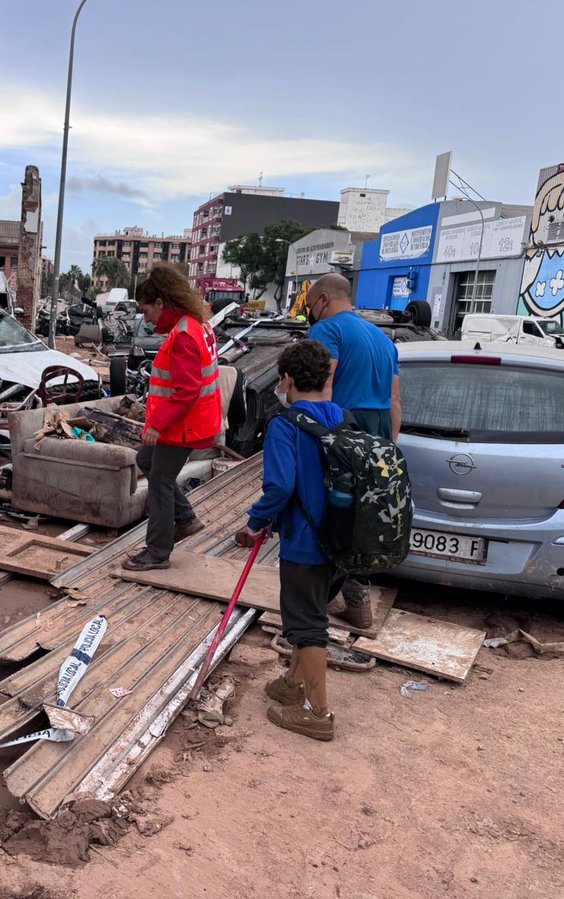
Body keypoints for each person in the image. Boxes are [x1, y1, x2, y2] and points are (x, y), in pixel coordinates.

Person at [236, 340, 343, 741]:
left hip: (306, 541)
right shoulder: (339, 417)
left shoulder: (285, 425)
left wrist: (254, 523)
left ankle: (318, 713)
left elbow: (280, 486)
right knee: (307, 615)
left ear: (288, 379)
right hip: (340, 541)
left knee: (308, 623)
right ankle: (292, 684)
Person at [305, 273, 400, 629]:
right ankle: (358, 600)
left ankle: (314, 606)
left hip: (342, 427)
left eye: (311, 304)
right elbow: (395, 401)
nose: (311, 312)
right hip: (376, 434)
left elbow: (323, 387)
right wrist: (388, 449)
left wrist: (314, 439)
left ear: (324, 300)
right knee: (360, 518)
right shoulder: (383, 339)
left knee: (331, 516)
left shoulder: (327, 330)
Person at [123, 265, 223, 571]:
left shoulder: (183, 336)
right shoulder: (196, 325)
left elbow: (185, 391)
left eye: (146, 310)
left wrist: (157, 425)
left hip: (184, 426)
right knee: (147, 462)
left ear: (161, 303)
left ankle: (157, 552)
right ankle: (187, 519)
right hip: (194, 421)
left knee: (161, 482)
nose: (146, 318)